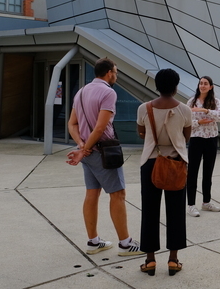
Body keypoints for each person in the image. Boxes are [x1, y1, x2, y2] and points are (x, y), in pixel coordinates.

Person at [66, 58, 144, 257]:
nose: (116, 75)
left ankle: (93, 241)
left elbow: (72, 124)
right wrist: (85, 149)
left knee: (92, 194)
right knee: (118, 195)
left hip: (88, 152)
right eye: (115, 72)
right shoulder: (108, 92)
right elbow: (101, 127)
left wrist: (82, 146)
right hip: (103, 152)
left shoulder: (81, 92)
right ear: (109, 72)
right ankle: (126, 244)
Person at [136, 68, 192, 276]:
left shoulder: (144, 108)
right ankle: (173, 260)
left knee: (149, 211)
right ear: (176, 87)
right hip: (176, 163)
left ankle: (150, 261)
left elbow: (141, 133)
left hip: (150, 163)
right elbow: (186, 138)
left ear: (157, 86)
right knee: (176, 212)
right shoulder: (185, 110)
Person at [186, 76, 220, 217]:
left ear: (211, 87)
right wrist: (200, 122)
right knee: (192, 172)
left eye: (205, 83)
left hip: (211, 139)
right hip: (196, 139)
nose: (202, 86)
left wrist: (206, 110)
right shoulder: (191, 101)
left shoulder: (215, 102)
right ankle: (191, 205)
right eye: (201, 83)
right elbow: (187, 121)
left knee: (208, 172)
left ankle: (206, 202)